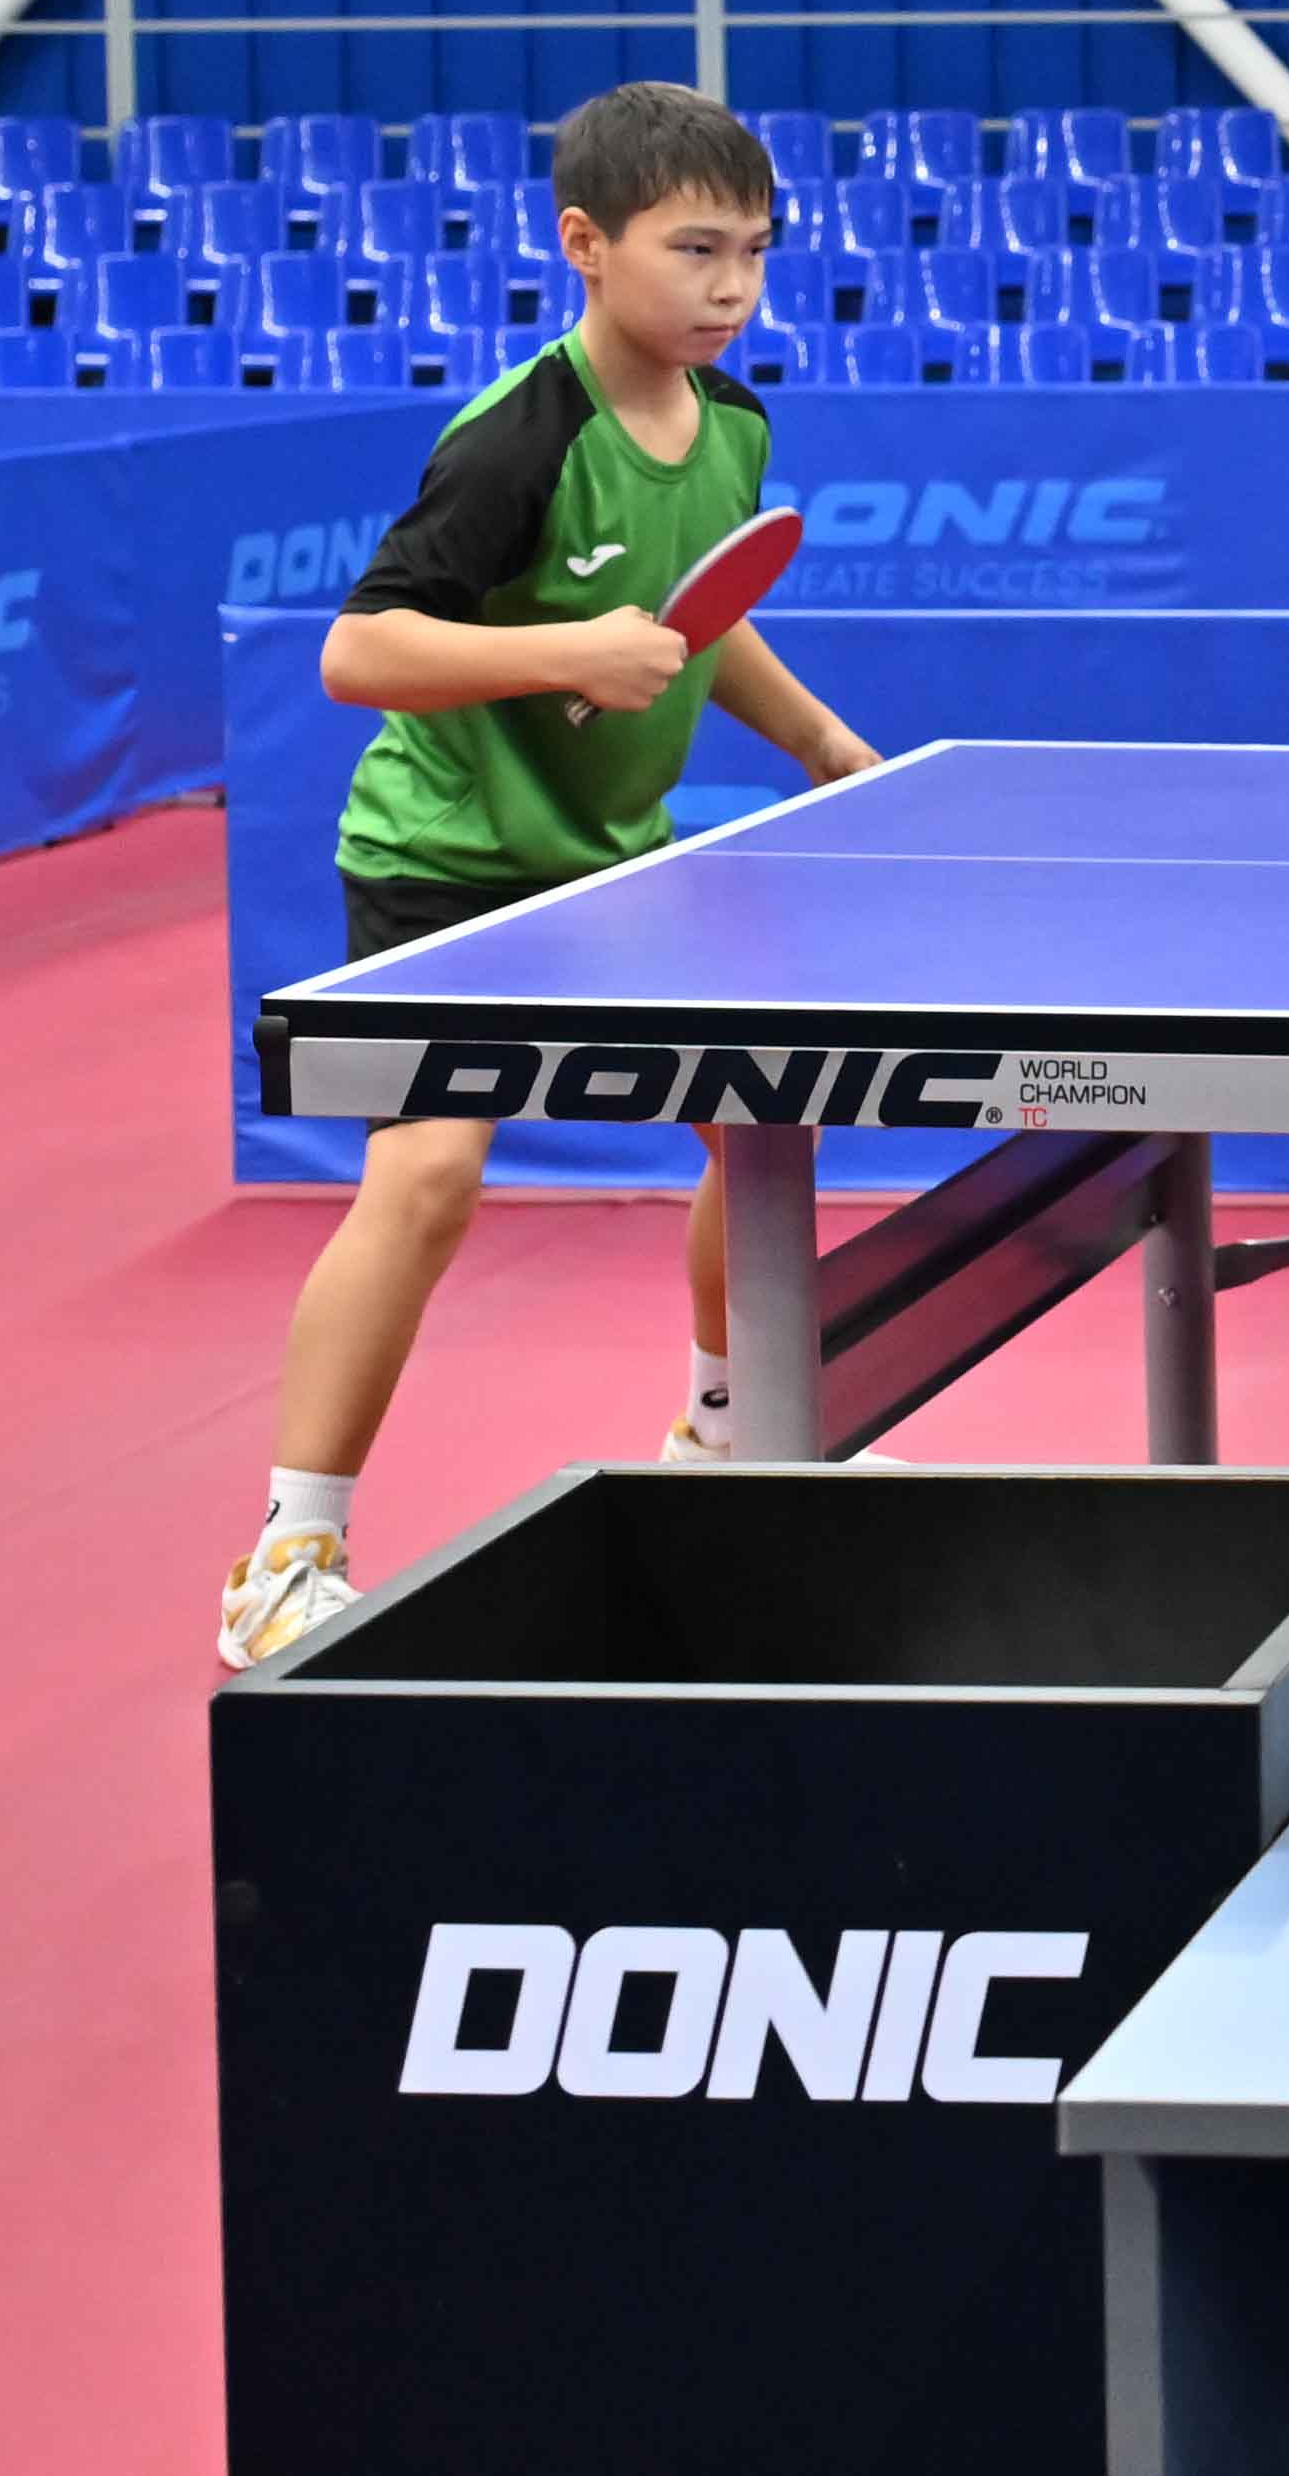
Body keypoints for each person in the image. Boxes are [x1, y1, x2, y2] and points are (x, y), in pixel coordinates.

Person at [221, 84, 882, 1668]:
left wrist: (817, 740)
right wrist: (564, 652)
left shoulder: (735, 424)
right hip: (445, 863)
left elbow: (696, 619)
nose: (733, 286)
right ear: (586, 245)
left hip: (606, 866)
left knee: (761, 1120)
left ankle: (725, 1434)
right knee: (429, 1179)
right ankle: (289, 1552)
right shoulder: (521, 437)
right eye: (695, 250)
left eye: (756, 252)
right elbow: (358, 652)